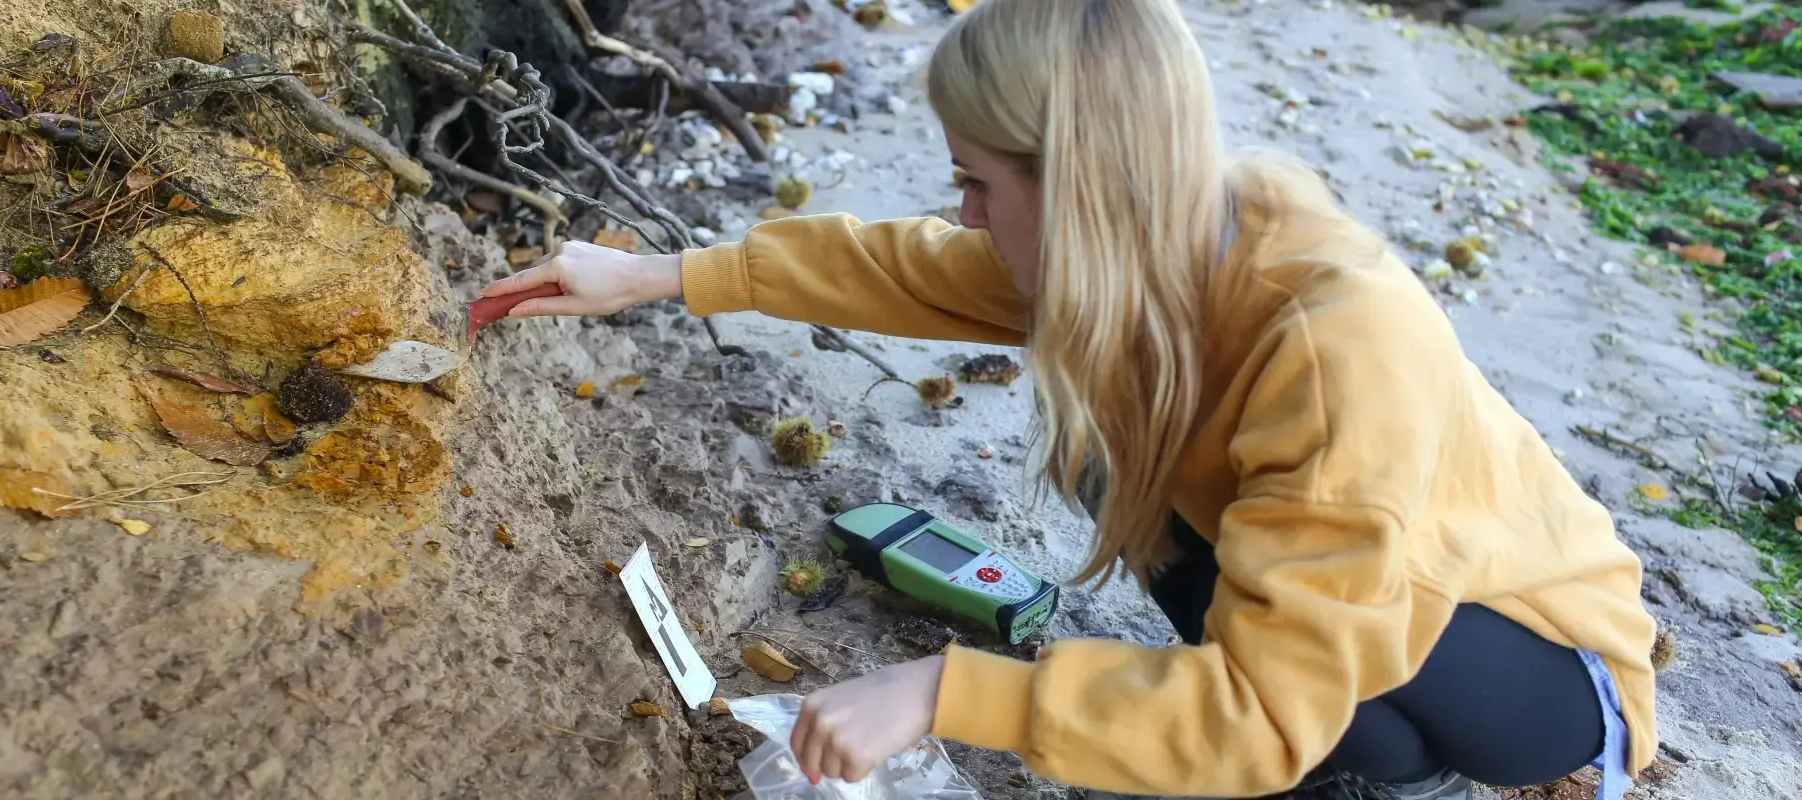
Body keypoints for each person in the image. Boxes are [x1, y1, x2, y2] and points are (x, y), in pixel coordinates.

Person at [477, 0, 1659, 797]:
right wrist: (654, 274)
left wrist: (948, 688)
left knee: (1288, 716)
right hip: (1371, 604)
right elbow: (910, 266)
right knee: (1127, 469)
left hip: (1539, 659)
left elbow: (1257, 712)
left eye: (980, 185)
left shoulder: (1339, 346)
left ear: (1085, 181)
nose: (969, 218)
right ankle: (1377, 745)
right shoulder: (1164, 236)